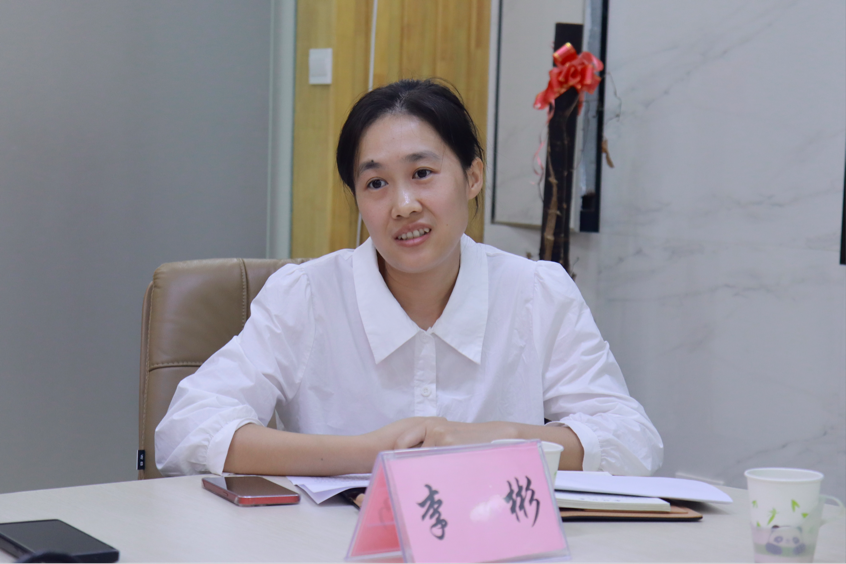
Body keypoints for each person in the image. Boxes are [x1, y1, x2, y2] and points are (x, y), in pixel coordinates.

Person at [155, 79, 663, 478]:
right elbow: (186, 430)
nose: (403, 206)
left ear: (472, 177)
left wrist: (499, 439)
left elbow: (633, 441)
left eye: (422, 174)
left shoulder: (537, 293)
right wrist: (367, 452)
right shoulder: (305, 297)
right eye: (376, 183)